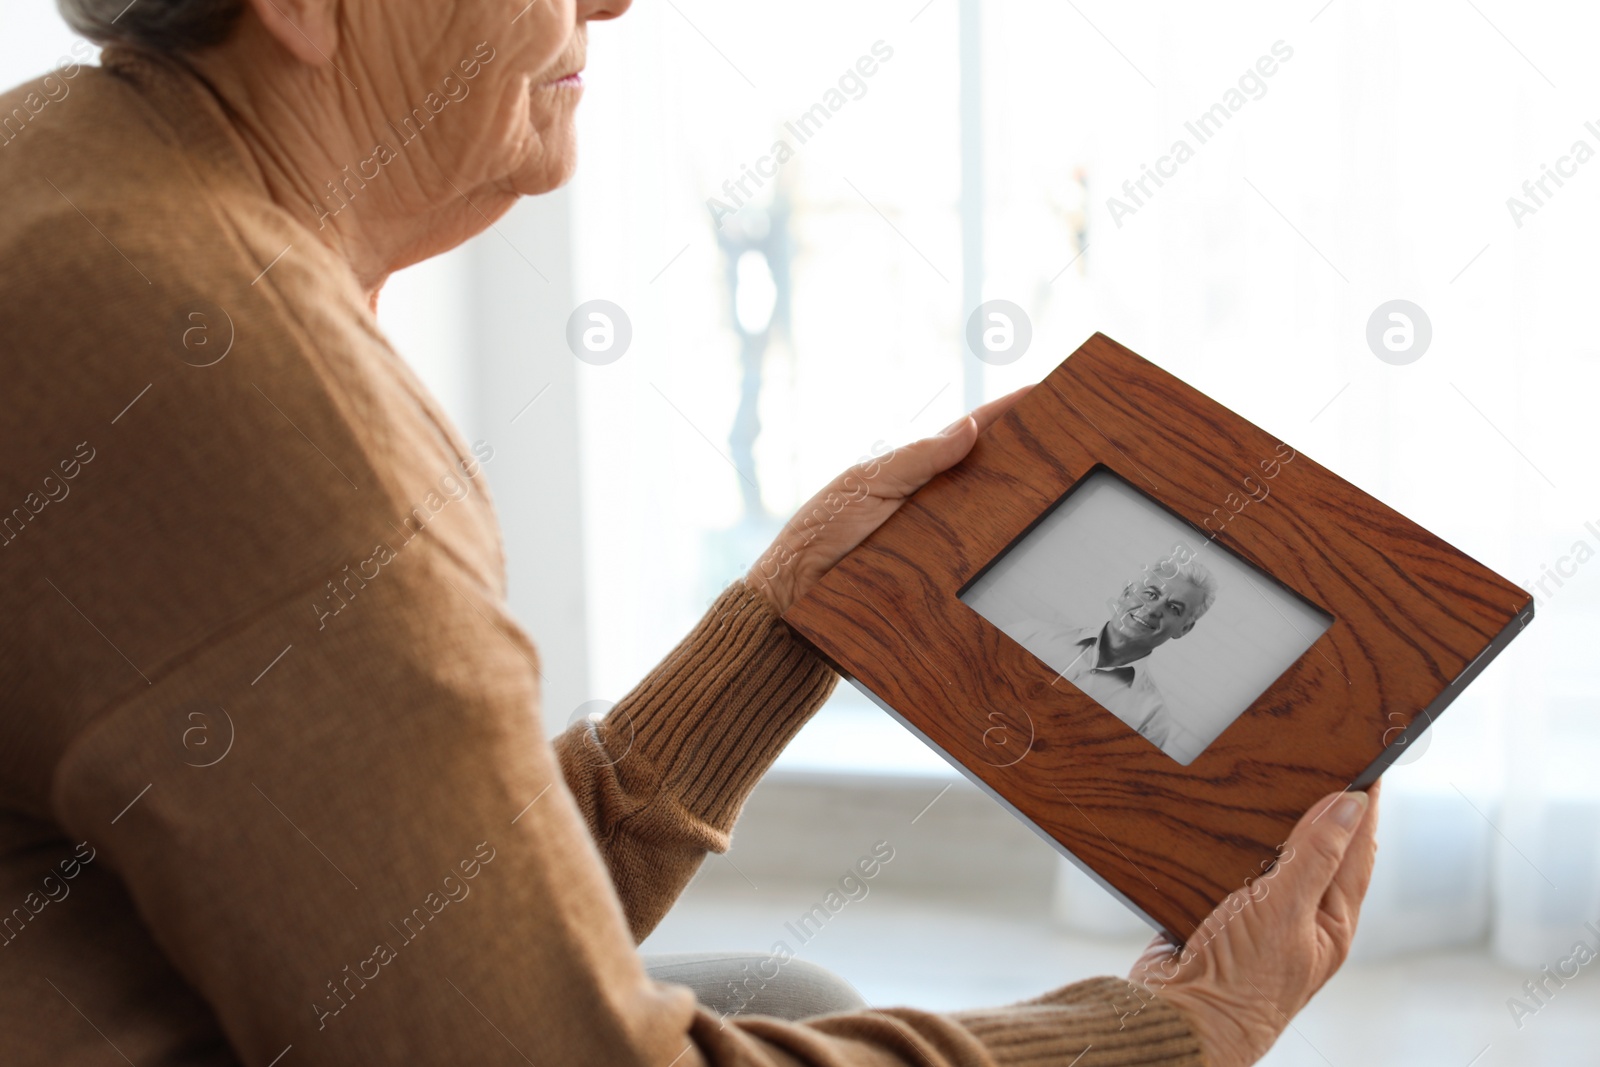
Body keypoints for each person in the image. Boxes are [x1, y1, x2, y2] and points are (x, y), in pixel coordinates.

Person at [0, 2, 1380, 1065]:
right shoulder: (235, 375)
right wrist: (1172, 1026)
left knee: (787, 996)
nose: (611, 3)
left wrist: (783, 621)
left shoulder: (76, 168)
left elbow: (417, 926)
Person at [1003, 554, 1218, 762]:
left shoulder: (1151, 719)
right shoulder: (1029, 635)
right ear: (1126, 593)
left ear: (1184, 629)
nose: (1152, 608)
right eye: (1151, 594)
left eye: (1173, 608)